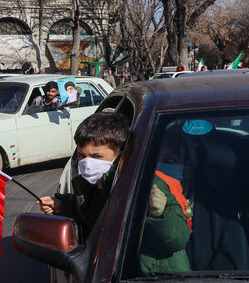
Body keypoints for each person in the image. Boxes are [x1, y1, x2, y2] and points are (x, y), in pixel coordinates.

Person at [38, 112, 129, 241]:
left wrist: (157, 215)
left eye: (97, 156)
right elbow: (88, 215)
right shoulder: (89, 186)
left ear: (120, 155)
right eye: (81, 156)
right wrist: (61, 205)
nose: (87, 163)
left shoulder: (133, 186)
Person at [139, 140, 192, 273]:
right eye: (152, 163)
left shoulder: (208, 205)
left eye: (169, 160)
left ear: (186, 165)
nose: (157, 168)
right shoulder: (143, 195)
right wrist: (159, 215)